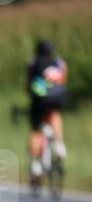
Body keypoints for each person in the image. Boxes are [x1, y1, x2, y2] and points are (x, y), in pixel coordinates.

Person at [26, 39, 67, 177]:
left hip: (39, 99)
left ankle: (36, 162)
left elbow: (28, 85)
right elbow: (63, 79)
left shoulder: (33, 62)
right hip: (56, 98)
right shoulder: (59, 62)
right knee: (54, 114)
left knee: (36, 129)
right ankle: (59, 143)